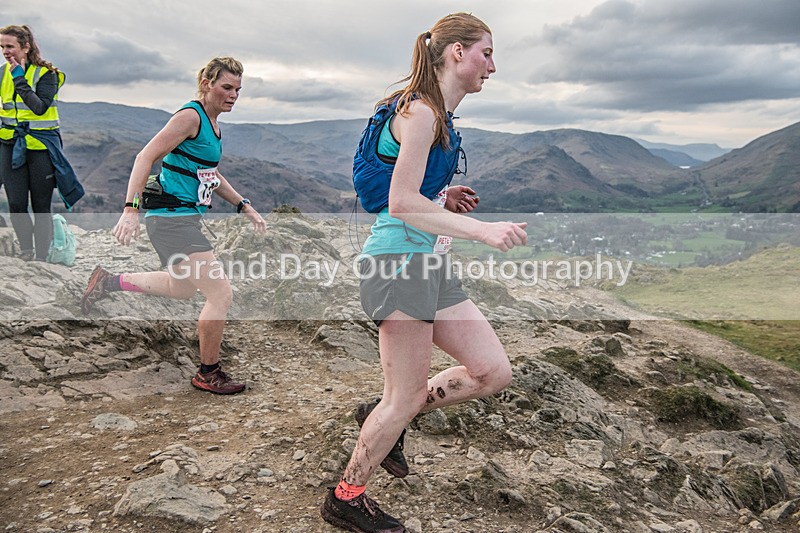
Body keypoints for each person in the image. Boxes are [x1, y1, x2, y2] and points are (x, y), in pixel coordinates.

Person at [321, 13, 528, 533]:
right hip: (398, 265)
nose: (492, 66)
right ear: (457, 52)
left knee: (491, 371)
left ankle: (389, 411)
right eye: (487, 53)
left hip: (427, 263)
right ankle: (347, 496)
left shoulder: (433, 113)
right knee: (403, 397)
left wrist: (443, 196)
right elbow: (397, 202)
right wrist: (481, 230)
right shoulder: (420, 113)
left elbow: (410, 193)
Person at [80, 57, 267, 395]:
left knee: (182, 287)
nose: (233, 95)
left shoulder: (212, 122)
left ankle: (107, 281)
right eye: (227, 87)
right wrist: (130, 209)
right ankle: (208, 372)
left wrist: (243, 205)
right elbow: (144, 157)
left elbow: (209, 174)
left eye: (238, 89)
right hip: (171, 219)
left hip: (181, 218)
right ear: (208, 83)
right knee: (220, 293)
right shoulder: (190, 116)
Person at [0, 25, 83, 262]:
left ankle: (42, 258)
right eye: (2, 46)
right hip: (10, 144)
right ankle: (27, 252)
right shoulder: (0, 73)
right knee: (16, 203)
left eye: (10, 46)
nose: (5, 51)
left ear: (25, 47)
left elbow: (39, 107)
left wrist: (19, 79)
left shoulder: (47, 75)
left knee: (40, 206)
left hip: (41, 148)